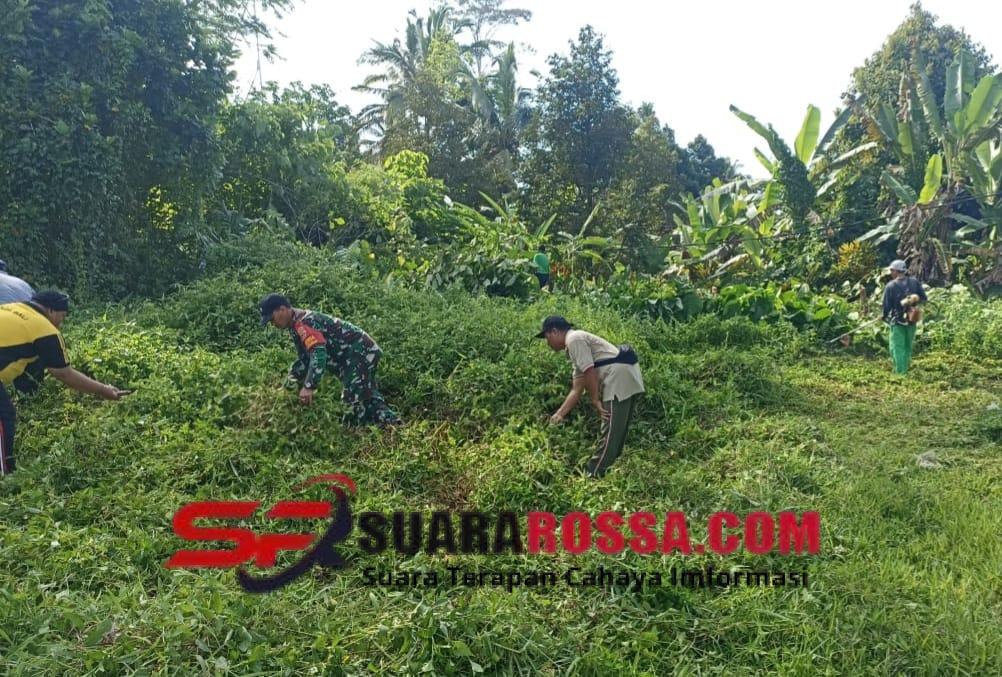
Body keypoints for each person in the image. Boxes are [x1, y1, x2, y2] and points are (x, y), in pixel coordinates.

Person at [1, 290, 128, 476]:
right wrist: (103, 390)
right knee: (4, 415)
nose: (61, 323)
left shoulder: (11, 308)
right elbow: (64, 374)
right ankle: (6, 473)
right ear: (51, 310)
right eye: (62, 316)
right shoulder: (45, 330)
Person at [259, 293, 400, 426]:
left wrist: (308, 386)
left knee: (351, 403)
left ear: (282, 310)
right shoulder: (295, 325)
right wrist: (287, 385)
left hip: (360, 354)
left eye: (272, 319)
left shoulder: (304, 323)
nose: (273, 324)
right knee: (367, 398)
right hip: (357, 356)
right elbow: (305, 360)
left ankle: (354, 434)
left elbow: (318, 353)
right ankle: (395, 425)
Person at [536, 315, 645, 478]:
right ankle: (610, 472)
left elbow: (589, 371)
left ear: (554, 331)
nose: (547, 343)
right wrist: (558, 415)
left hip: (617, 378)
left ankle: (592, 475)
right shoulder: (575, 347)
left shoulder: (574, 339)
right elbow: (577, 389)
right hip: (625, 374)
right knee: (617, 431)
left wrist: (595, 400)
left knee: (610, 431)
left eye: (546, 337)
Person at [881, 259, 927, 375]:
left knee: (896, 347)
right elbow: (924, 298)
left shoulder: (891, 286)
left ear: (896, 271)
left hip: (898, 321)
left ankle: (900, 373)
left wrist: (884, 316)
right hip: (912, 320)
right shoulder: (914, 282)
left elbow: (886, 306)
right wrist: (915, 298)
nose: (891, 273)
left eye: (892, 270)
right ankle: (904, 369)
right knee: (907, 346)